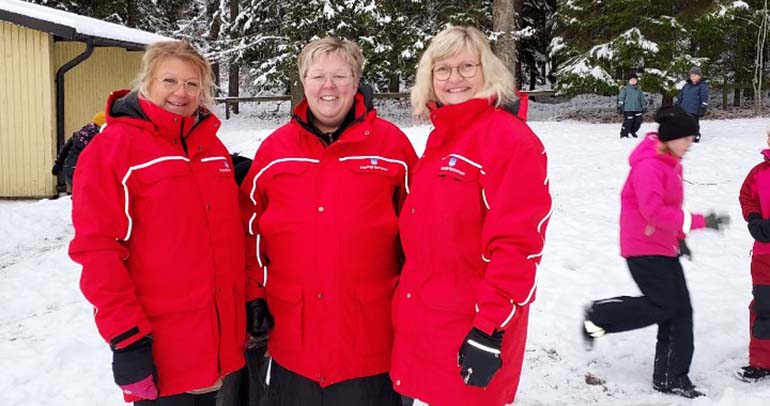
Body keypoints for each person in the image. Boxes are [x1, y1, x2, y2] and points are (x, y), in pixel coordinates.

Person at [239, 37, 417, 406]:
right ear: (303, 81)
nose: (329, 86)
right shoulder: (275, 151)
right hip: (293, 341)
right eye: (318, 75)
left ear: (357, 81)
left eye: (340, 75)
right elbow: (249, 229)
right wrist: (254, 295)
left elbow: (420, 235)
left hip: (371, 342)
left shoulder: (393, 148)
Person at [69, 41, 246, 405]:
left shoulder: (211, 149)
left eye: (192, 84)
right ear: (146, 82)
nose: (181, 93)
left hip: (220, 348)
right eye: (169, 81)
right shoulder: (111, 150)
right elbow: (97, 250)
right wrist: (127, 339)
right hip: (161, 352)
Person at [389, 26, 552, 406]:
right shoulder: (442, 137)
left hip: (473, 325)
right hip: (428, 320)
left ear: (487, 71)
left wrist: (490, 329)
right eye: (442, 69)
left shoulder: (510, 141)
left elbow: (517, 245)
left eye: (466, 67)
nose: (454, 79)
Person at [582, 106, 730, 399]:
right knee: (666, 306)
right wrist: (701, 222)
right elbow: (653, 212)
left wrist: (680, 237)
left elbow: (669, 210)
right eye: (688, 138)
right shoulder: (649, 166)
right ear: (672, 138)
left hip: (662, 246)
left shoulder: (670, 163)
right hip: (643, 248)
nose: (691, 144)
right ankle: (600, 315)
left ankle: (670, 377)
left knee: (678, 311)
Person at [737, 128, 770, 382]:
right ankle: (761, 361)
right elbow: (746, 196)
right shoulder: (758, 173)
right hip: (764, 255)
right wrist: (754, 218)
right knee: (764, 306)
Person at [51, 111, 106, 188]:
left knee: (80, 195)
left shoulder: (82, 133)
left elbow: (66, 147)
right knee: (86, 195)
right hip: (81, 169)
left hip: (70, 167)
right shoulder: (98, 137)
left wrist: (58, 163)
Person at [675, 67, 709, 142]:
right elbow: (681, 96)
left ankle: (695, 135)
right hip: (684, 108)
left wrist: (703, 107)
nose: (693, 77)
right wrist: (677, 104)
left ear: (699, 76)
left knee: (693, 122)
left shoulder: (702, 86)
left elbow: (704, 97)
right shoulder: (686, 86)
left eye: (695, 75)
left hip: (694, 109)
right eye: (691, 75)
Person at [617, 72, 646, 138]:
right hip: (628, 108)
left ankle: (633, 131)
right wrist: (620, 105)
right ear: (629, 81)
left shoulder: (639, 89)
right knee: (628, 121)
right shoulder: (625, 89)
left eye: (634, 80)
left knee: (638, 121)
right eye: (631, 80)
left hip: (637, 108)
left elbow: (642, 99)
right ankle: (624, 134)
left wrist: (643, 106)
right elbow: (621, 97)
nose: (633, 81)